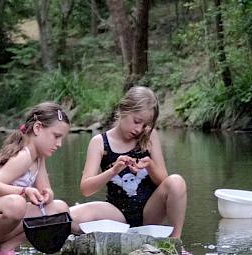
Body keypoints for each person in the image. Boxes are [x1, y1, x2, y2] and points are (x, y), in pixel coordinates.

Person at [0, 102, 71, 255]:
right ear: (37, 128)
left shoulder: (39, 158)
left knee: (59, 210)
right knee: (16, 204)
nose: (59, 144)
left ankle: (3, 249)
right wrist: (24, 192)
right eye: (56, 136)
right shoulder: (23, 156)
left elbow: (46, 191)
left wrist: (46, 194)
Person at [70, 86, 187, 238]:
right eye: (137, 121)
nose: (139, 129)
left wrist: (150, 166)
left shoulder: (150, 137)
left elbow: (166, 185)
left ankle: (176, 242)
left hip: (150, 214)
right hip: (116, 214)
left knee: (177, 181)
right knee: (70, 215)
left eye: (145, 125)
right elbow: (86, 189)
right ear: (123, 110)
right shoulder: (99, 142)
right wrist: (113, 171)